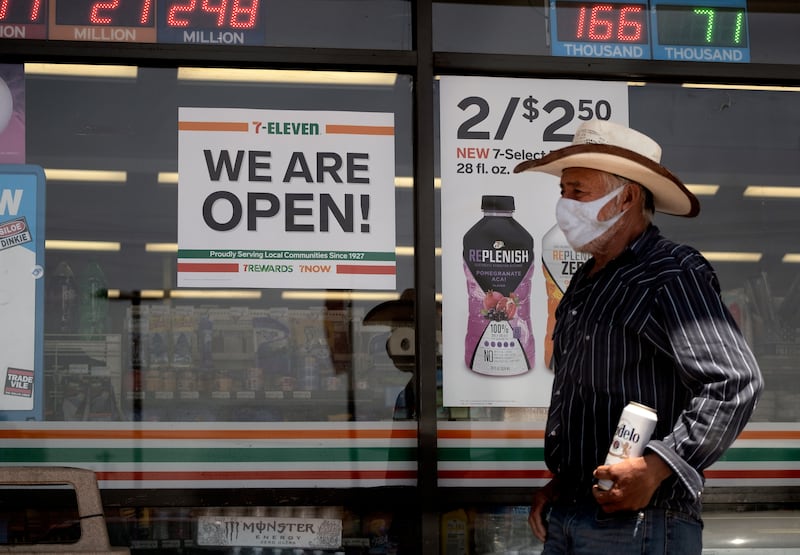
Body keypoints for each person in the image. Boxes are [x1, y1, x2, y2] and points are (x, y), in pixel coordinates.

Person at [513, 120, 763, 554]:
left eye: (578, 192)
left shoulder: (669, 272)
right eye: (563, 193)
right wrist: (564, 483)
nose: (565, 205)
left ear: (625, 197)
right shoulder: (588, 281)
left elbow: (734, 381)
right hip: (576, 514)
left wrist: (657, 466)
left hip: (643, 524)